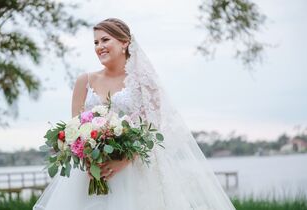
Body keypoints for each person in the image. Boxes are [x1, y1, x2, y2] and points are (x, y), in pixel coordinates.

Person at [33, 18, 236, 210]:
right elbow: (74, 129)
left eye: (105, 40)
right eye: (95, 42)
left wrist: (124, 160)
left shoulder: (145, 82)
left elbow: (156, 128)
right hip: (91, 170)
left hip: (135, 169)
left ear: (124, 43)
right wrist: (87, 155)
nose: (99, 46)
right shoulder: (84, 81)